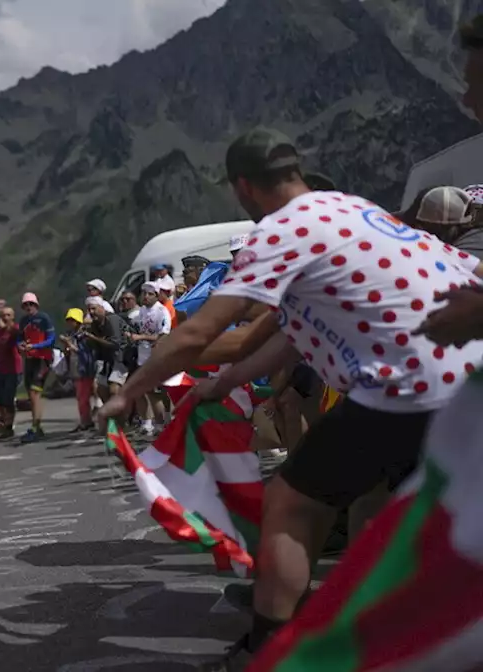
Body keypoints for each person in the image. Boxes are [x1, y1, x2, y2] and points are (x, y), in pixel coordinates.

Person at [100, 127, 483, 667]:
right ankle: (368, 627)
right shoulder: (353, 211)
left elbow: (198, 332)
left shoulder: (282, 229)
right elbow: (280, 338)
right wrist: (224, 383)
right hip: (464, 381)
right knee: (372, 503)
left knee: (290, 504)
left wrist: (128, 394)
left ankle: (273, 649)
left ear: (243, 188)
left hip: (407, 385)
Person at [129, 282, 172, 436]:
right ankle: (147, 423)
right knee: (141, 391)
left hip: (155, 358)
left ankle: (161, 425)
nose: (145, 297)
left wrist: (141, 337)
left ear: (157, 295)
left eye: (150, 294)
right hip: (142, 357)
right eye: (144, 293)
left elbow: (164, 335)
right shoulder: (141, 312)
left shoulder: (162, 311)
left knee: (155, 393)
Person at [17, 292, 56, 443]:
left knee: (34, 392)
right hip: (30, 359)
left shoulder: (44, 318)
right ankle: (37, 426)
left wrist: (36, 345)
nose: (28, 307)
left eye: (31, 304)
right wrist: (19, 346)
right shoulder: (23, 321)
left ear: (36, 305)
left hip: (43, 359)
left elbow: (51, 339)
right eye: (25, 305)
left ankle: (35, 426)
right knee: (31, 393)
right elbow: (19, 338)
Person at [59, 308, 97, 432]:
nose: (70, 323)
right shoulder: (71, 334)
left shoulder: (83, 335)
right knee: (81, 397)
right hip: (75, 368)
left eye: (73, 320)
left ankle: (86, 421)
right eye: (69, 320)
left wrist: (70, 345)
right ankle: (85, 420)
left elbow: (83, 352)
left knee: (83, 396)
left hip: (84, 368)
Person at [0, 307, 23, 440]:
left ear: (12, 316)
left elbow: (19, 336)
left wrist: (9, 327)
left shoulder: (15, 330)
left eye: (8, 315)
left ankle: (9, 427)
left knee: (8, 398)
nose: (5, 317)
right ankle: (5, 425)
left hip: (14, 369)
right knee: (1, 399)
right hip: (1, 368)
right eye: (3, 315)